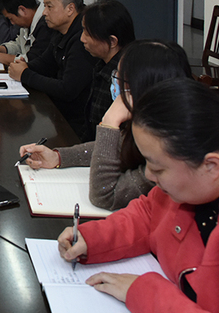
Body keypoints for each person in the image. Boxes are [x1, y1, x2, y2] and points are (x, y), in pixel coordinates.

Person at [57, 78, 219, 313]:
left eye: (158, 168)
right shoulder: (196, 179)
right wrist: (92, 239)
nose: (147, 175)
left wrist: (144, 293)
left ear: (211, 165)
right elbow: (148, 214)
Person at [19, 40, 192, 210]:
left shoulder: (171, 149)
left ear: (142, 88)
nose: (114, 83)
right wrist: (58, 157)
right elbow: (117, 146)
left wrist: (110, 124)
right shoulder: (151, 123)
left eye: (120, 78)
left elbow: (105, 195)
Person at [9, 0, 98, 136]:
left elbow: (67, 89)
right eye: (44, 6)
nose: (44, 13)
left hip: (79, 124)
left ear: (70, 9)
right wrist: (24, 66)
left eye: (49, 7)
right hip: (60, 113)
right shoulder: (60, 31)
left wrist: (25, 74)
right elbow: (45, 63)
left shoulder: (82, 39)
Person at [78, 0, 136, 141]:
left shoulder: (123, 77)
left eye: (87, 33)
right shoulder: (102, 65)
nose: (82, 39)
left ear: (112, 41)